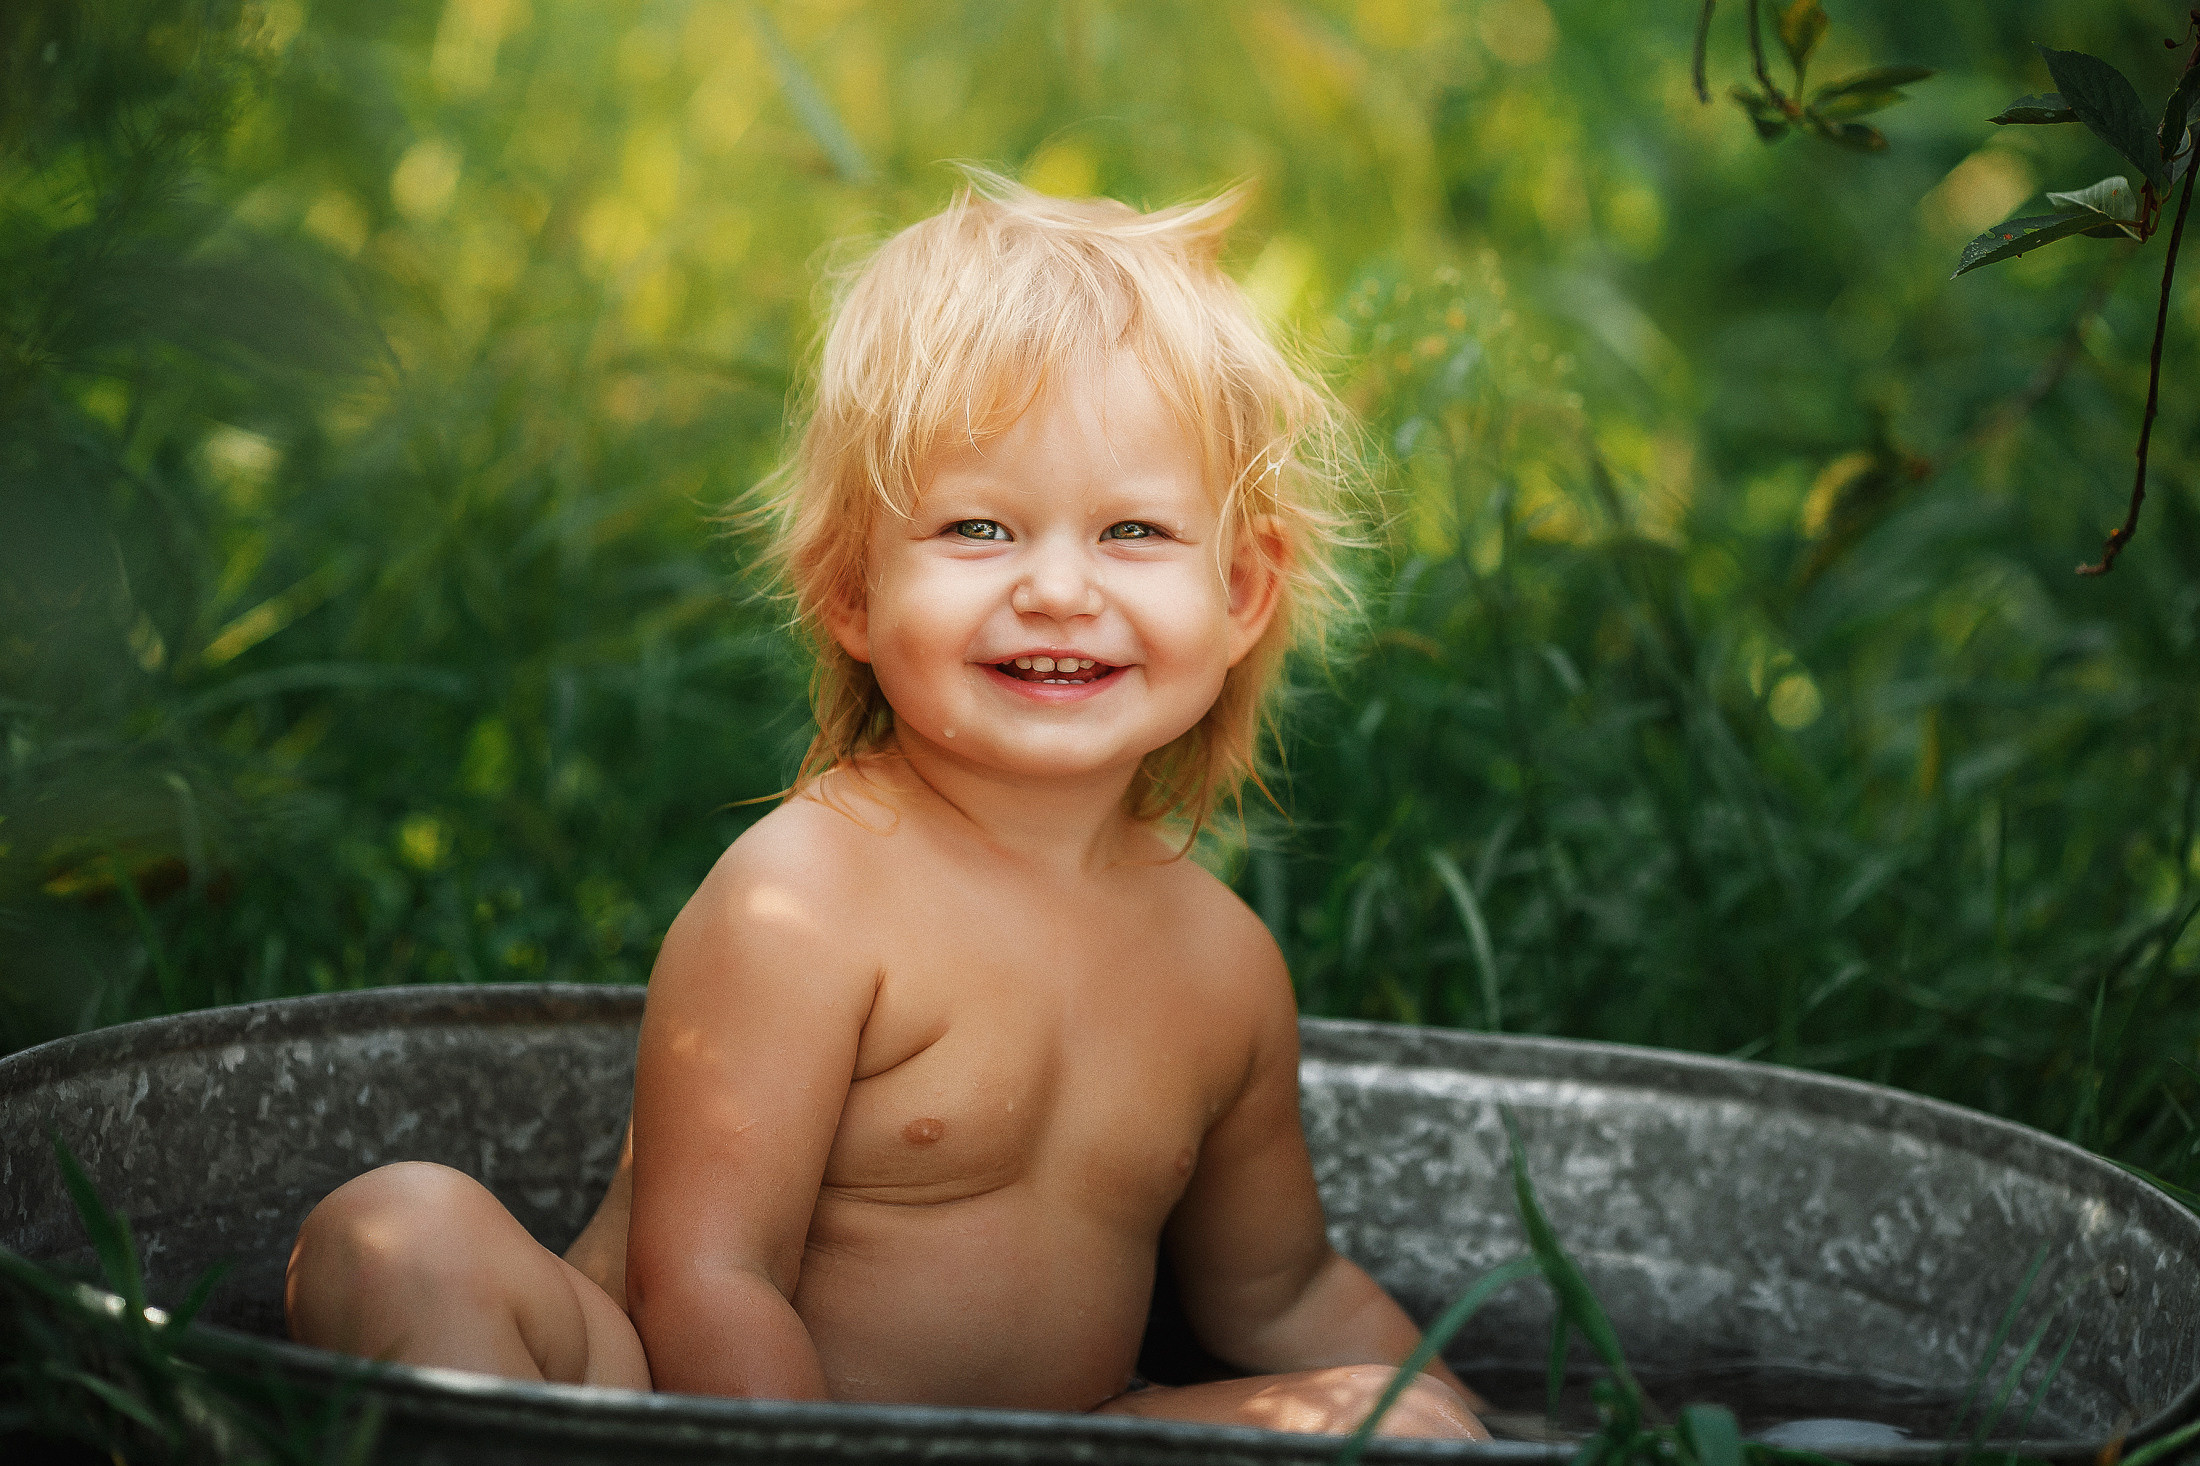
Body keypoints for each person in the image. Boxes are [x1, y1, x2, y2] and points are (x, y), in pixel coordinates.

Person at [284, 172, 1487, 1442]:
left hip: (1058, 1433)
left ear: (1242, 592)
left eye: (1133, 529)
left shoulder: (1223, 965)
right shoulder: (808, 896)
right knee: (394, 1231)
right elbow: (704, 1279)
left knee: (1394, 1419)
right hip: (669, 1416)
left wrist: (1500, 1424)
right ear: (852, 590)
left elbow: (1283, 1290)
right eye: (980, 527)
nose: (1060, 589)